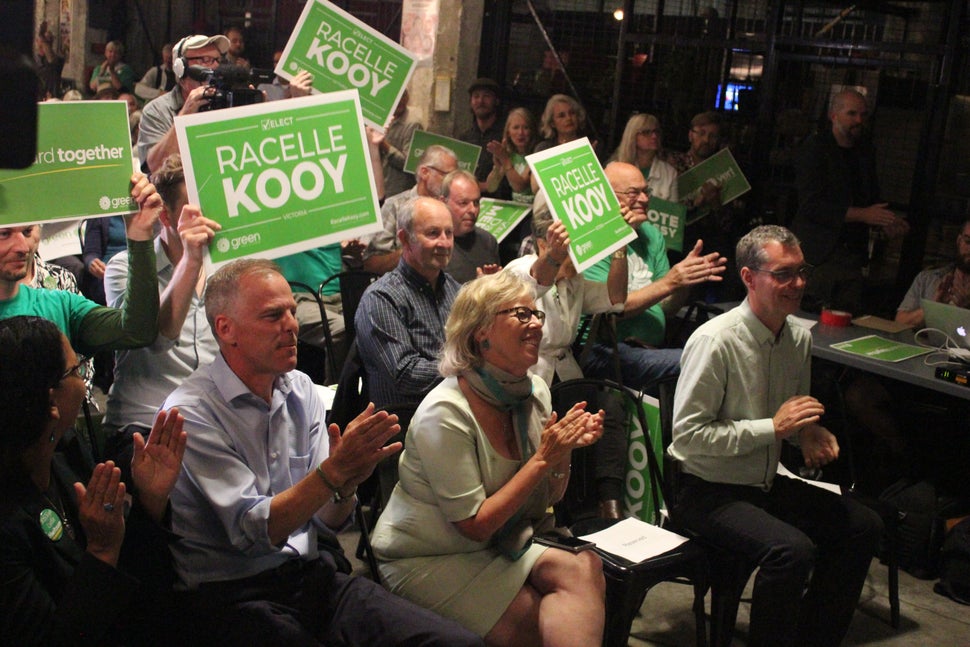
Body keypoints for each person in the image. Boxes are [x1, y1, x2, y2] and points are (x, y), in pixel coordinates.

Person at [161, 258, 482, 647]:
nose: (292, 326)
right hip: (233, 595)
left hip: (309, 576)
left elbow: (327, 522)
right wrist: (332, 473)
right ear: (226, 329)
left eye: (293, 312)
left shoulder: (300, 389)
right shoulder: (192, 412)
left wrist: (346, 484)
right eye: (273, 315)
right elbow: (256, 532)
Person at [669, 225, 883, 647]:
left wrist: (805, 433)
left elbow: (789, 418)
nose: (798, 283)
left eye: (801, 271)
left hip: (762, 482)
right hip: (706, 489)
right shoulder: (716, 341)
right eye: (783, 274)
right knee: (791, 551)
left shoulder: (798, 338)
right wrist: (775, 428)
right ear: (750, 278)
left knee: (863, 525)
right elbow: (689, 436)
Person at [371, 271, 606, 644]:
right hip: (430, 556)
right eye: (521, 315)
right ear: (481, 333)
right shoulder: (445, 412)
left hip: (501, 543)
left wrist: (563, 454)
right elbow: (475, 524)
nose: (536, 325)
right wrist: (543, 459)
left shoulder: (536, 392)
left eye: (537, 315)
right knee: (539, 621)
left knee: (585, 568)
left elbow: (550, 499)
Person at [0, 315, 187, 646]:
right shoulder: (8, 523)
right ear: (50, 402)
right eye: (75, 372)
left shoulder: (65, 453)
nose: (85, 383)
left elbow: (137, 585)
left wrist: (151, 501)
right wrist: (101, 551)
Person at [504, 205, 629, 518]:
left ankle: (607, 503)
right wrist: (557, 256)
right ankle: (547, 508)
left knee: (607, 407)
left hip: (567, 370)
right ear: (546, 244)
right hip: (529, 373)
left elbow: (616, 297)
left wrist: (619, 251)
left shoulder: (574, 279)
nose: (582, 256)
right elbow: (538, 280)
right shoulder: (519, 270)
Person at [103, 154, 219, 450]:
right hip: (145, 422)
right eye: (193, 211)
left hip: (215, 420)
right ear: (165, 217)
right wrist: (190, 263)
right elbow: (154, 340)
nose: (206, 219)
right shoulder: (123, 268)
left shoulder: (225, 266)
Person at [580, 162, 726, 393]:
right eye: (633, 193)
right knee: (699, 361)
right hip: (606, 349)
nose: (645, 199)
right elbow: (611, 311)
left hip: (647, 348)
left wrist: (684, 282)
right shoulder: (593, 237)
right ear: (606, 196)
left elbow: (665, 308)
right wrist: (670, 281)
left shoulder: (651, 234)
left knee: (719, 350)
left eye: (645, 191)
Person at [0, 173, 162, 358]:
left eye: (28, 231)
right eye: (4, 234)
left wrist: (139, 234)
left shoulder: (59, 305)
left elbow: (137, 331)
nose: (23, 247)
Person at [791, 89, 909, 312]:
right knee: (807, 316)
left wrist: (887, 221)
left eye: (863, 115)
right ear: (834, 115)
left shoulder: (864, 152)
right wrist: (864, 215)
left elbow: (871, 199)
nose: (859, 120)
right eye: (852, 114)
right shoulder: (816, 149)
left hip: (851, 254)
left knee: (845, 318)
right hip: (819, 253)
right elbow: (811, 206)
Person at [356, 197, 460, 409]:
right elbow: (406, 375)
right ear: (404, 239)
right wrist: (468, 369)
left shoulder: (456, 290)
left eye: (448, 233)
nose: (444, 243)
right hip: (404, 426)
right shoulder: (381, 298)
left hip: (456, 412)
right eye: (433, 233)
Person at [137, 33, 230, 172]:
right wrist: (185, 115)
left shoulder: (227, 102)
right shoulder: (156, 110)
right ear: (181, 68)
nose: (215, 68)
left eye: (218, 60)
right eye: (206, 60)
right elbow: (155, 167)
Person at [362, 144, 458, 275]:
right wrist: (413, 248)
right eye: (447, 176)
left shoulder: (451, 207)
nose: (451, 182)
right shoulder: (395, 206)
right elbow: (372, 263)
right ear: (425, 172)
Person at [896, 218, 970, 326]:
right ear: (959, 241)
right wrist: (934, 308)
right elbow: (900, 322)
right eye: (968, 242)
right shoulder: (927, 278)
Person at [442, 170, 500, 283]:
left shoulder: (488, 241)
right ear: (443, 202)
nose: (473, 210)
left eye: (476, 202)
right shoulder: (434, 245)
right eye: (463, 203)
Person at [611, 113, 679, 201]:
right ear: (632, 136)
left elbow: (673, 212)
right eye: (646, 132)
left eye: (656, 131)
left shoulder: (669, 173)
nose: (654, 136)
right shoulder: (614, 169)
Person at [459, 78, 504, 195]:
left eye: (486, 96)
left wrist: (483, 186)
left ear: (497, 101)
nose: (480, 101)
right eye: (476, 96)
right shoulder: (465, 137)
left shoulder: (505, 136)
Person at [379, 89, 423, 196]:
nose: (399, 101)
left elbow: (409, 163)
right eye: (395, 98)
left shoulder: (412, 124)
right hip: (380, 186)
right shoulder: (382, 119)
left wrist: (385, 145)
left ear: (407, 98)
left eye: (402, 97)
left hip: (398, 191)